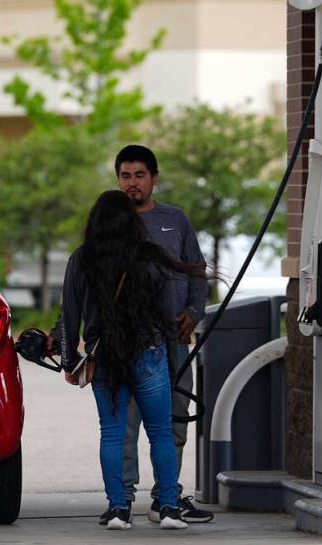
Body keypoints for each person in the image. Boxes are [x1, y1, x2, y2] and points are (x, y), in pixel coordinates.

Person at [60, 190, 202, 530]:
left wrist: (69, 361)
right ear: (132, 220)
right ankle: (168, 507)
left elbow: (69, 315)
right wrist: (170, 356)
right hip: (149, 352)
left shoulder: (81, 259)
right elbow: (167, 311)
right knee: (162, 433)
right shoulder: (149, 256)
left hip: (105, 356)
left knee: (111, 433)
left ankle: (118, 509)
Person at [115, 145, 214, 524]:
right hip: (128, 341)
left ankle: (166, 498)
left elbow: (196, 270)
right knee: (125, 423)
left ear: (154, 178)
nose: (132, 183)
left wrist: (193, 312)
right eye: (125, 175)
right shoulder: (111, 221)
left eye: (140, 175)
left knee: (174, 417)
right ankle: (121, 498)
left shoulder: (175, 219)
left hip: (173, 338)